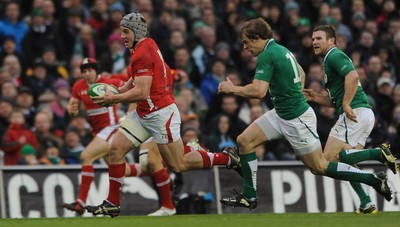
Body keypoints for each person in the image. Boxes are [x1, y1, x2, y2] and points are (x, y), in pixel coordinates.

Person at [217, 18, 393, 210]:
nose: (244, 47)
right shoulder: (282, 50)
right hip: (281, 113)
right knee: (244, 141)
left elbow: (259, 92)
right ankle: (249, 196)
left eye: (246, 42)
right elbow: (301, 71)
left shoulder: (267, 55)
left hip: (297, 119)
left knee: (320, 166)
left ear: (258, 38)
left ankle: (373, 179)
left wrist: (232, 88)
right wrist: (297, 93)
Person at [85, 12, 240, 218]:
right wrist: (118, 91)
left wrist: (113, 99)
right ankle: (112, 203)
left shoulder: (142, 54)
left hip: (160, 115)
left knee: (179, 164)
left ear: (137, 31)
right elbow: (135, 80)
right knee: (116, 149)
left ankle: (225, 158)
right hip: (144, 112)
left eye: (125, 31)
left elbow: (141, 92)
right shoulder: (145, 45)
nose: (122, 36)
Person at [62, 58, 176, 216]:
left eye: (90, 70)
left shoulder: (109, 82)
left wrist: (130, 110)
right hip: (98, 133)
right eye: (84, 71)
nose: (87, 74)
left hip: (111, 128)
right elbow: (73, 107)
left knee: (86, 156)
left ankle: (80, 202)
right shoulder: (78, 87)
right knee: (131, 169)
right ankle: (159, 172)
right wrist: (71, 109)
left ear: (97, 71)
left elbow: (135, 85)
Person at [303, 24, 398, 214]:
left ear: (331, 40)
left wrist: (346, 104)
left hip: (355, 112)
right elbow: (334, 99)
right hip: (363, 114)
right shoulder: (328, 61)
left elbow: (353, 76)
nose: (314, 42)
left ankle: (378, 156)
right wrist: (316, 97)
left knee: (327, 159)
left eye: (319, 38)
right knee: (344, 163)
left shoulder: (334, 55)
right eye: (313, 39)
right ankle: (366, 202)